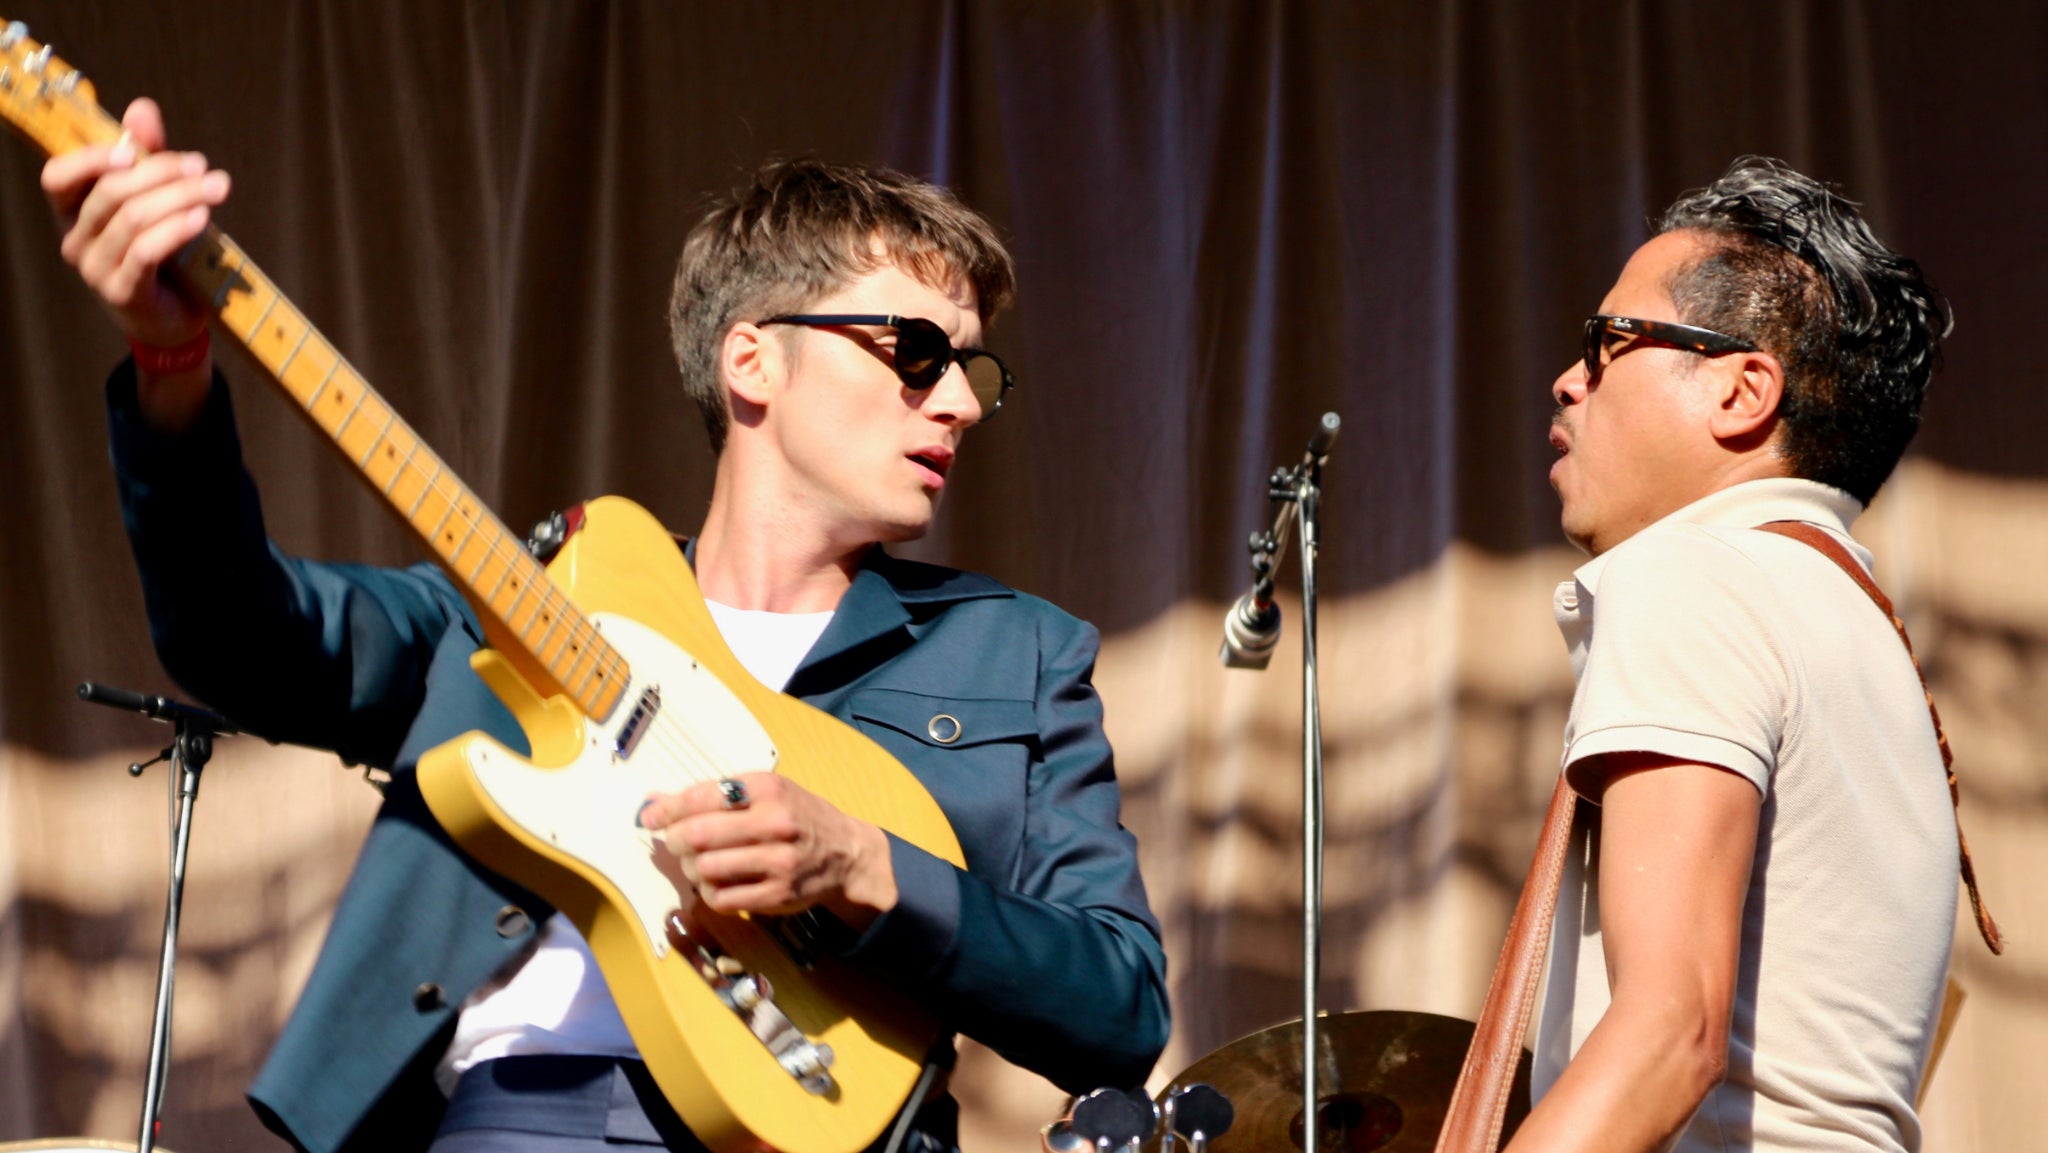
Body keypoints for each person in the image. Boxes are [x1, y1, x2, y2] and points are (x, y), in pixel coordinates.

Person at [43, 98, 1169, 1153]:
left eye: (971, 369)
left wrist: (868, 867)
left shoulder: (1016, 652)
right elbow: (238, 639)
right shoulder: (531, 601)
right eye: (916, 351)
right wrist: (171, 367)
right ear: (752, 357)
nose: (960, 402)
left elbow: (1119, 1010)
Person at [1511, 156, 1992, 1153]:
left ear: (1741, 391)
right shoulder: (1860, 627)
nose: (1567, 380)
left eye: (1608, 343)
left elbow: (1669, 1034)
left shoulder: (1694, 575)